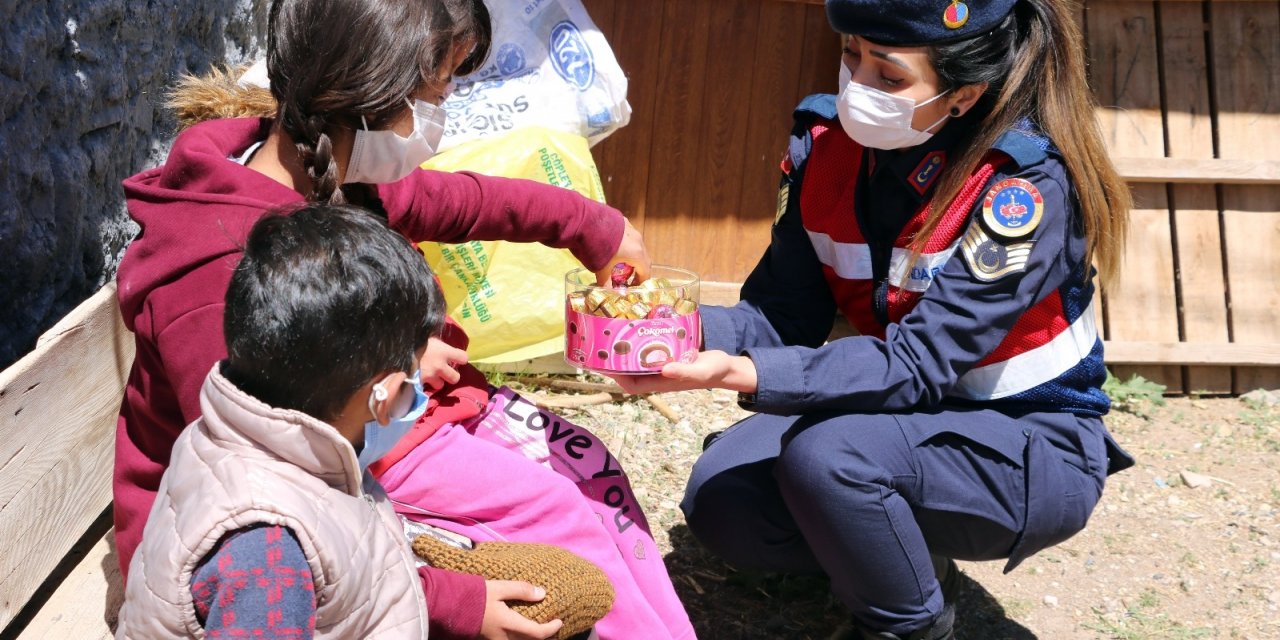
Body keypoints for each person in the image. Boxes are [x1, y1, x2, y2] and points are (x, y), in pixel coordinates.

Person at [114, 0, 694, 637]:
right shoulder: (218, 273)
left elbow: (465, 200)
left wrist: (594, 227)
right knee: (562, 515)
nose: (440, 116)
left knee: (591, 469)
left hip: (388, 424)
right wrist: (454, 603)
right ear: (369, 89)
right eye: (436, 91)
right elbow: (273, 486)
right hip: (323, 481)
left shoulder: (329, 170)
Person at [611, 0, 1136, 638]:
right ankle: (906, 558)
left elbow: (916, 365)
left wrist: (740, 373)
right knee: (725, 504)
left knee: (829, 458)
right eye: (850, 56)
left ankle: (909, 625)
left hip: (1028, 443)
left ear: (965, 92)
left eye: (889, 77)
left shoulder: (1018, 189)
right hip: (903, 417)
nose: (858, 87)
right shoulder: (825, 147)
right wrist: (657, 330)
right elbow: (781, 314)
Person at [117, 203, 483, 638]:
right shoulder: (267, 556)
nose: (418, 390)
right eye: (414, 376)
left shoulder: (241, 430)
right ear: (383, 397)